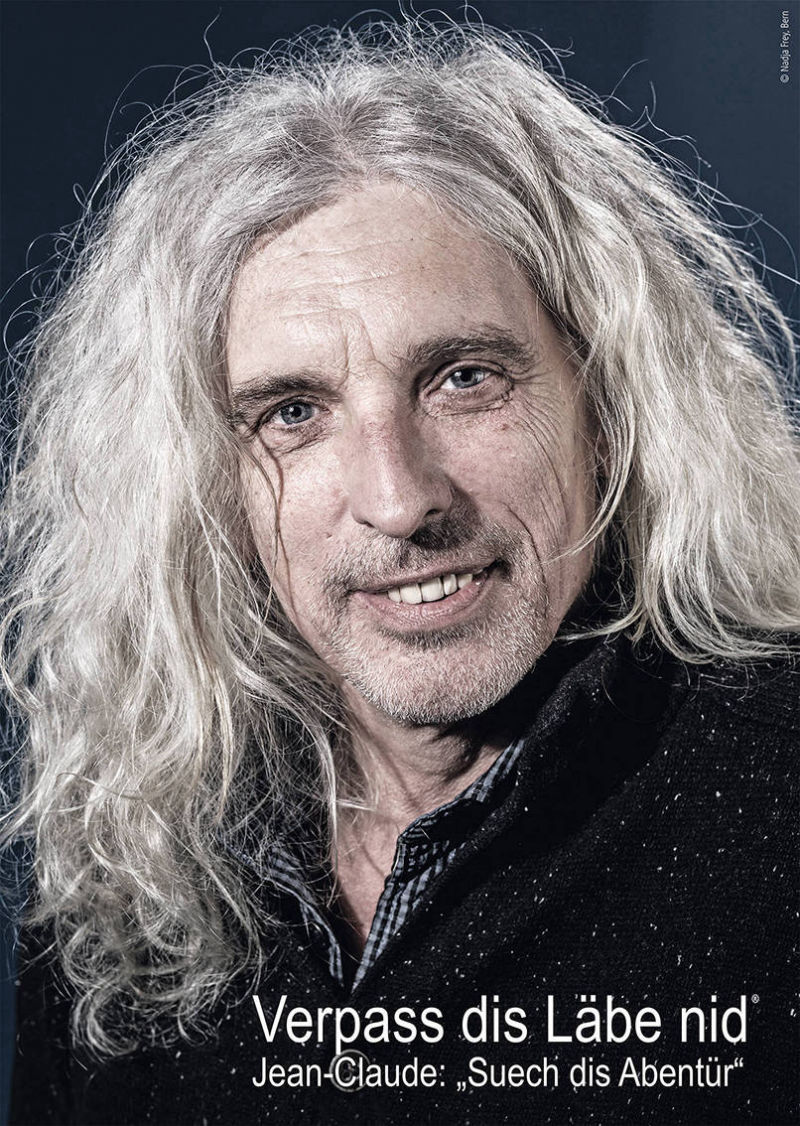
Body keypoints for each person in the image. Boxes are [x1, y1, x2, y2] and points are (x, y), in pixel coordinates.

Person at [2, 20, 798, 1126]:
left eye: (463, 377)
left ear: (610, 405)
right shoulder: (141, 858)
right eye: (293, 412)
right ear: (200, 486)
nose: (398, 497)